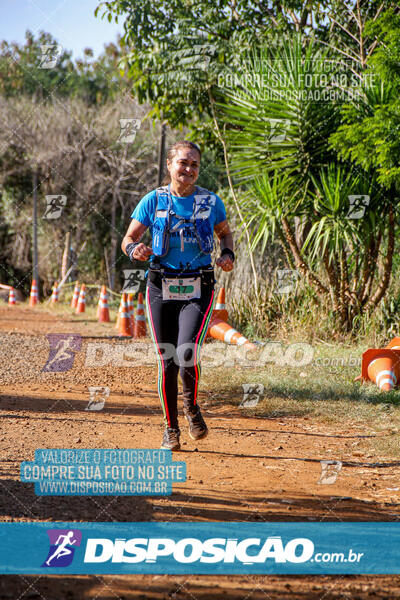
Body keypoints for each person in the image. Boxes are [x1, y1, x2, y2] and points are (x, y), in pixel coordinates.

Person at [122, 140, 234, 450]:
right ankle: (171, 428)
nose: (188, 169)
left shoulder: (210, 202)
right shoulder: (153, 200)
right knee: (167, 361)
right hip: (160, 286)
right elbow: (129, 238)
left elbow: (225, 232)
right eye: (183, 163)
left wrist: (227, 253)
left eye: (194, 165)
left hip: (198, 287)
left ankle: (191, 407)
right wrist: (135, 248)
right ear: (170, 166)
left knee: (186, 354)